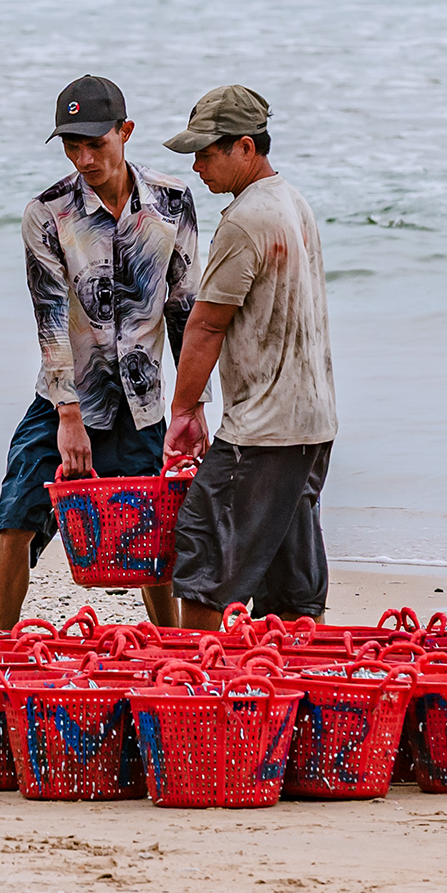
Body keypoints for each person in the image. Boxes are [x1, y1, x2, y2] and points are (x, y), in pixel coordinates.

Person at [0, 76, 204, 631]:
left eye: (96, 143)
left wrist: (191, 406)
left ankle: (172, 651)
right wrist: (68, 417)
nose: (84, 158)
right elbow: (51, 319)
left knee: (154, 541)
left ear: (125, 132)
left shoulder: (173, 203)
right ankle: (3, 649)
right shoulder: (47, 213)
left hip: (143, 401)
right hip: (64, 396)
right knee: (16, 515)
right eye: (71, 144)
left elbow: (185, 312)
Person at [161, 87, 337, 629]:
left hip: (262, 429)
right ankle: (289, 689)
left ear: (245, 147)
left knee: (204, 556)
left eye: (207, 153)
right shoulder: (293, 202)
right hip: (313, 421)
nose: (196, 166)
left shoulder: (243, 222)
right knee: (291, 585)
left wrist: (185, 410)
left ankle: (194, 683)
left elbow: (208, 322)